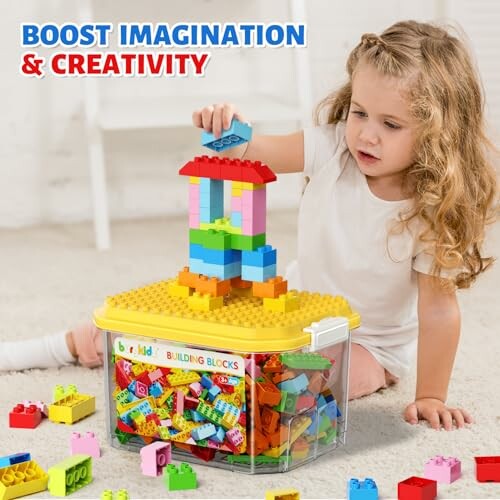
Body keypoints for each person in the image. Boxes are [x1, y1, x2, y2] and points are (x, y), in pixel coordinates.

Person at [1, 21, 497, 431]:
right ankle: (56, 347)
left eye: (391, 124)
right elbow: (254, 150)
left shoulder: (430, 211)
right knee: (177, 322)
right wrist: (231, 130)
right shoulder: (332, 149)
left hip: (367, 343)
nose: (366, 132)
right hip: (293, 307)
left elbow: (438, 311)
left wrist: (430, 394)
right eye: (360, 111)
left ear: (437, 135)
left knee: (289, 382)